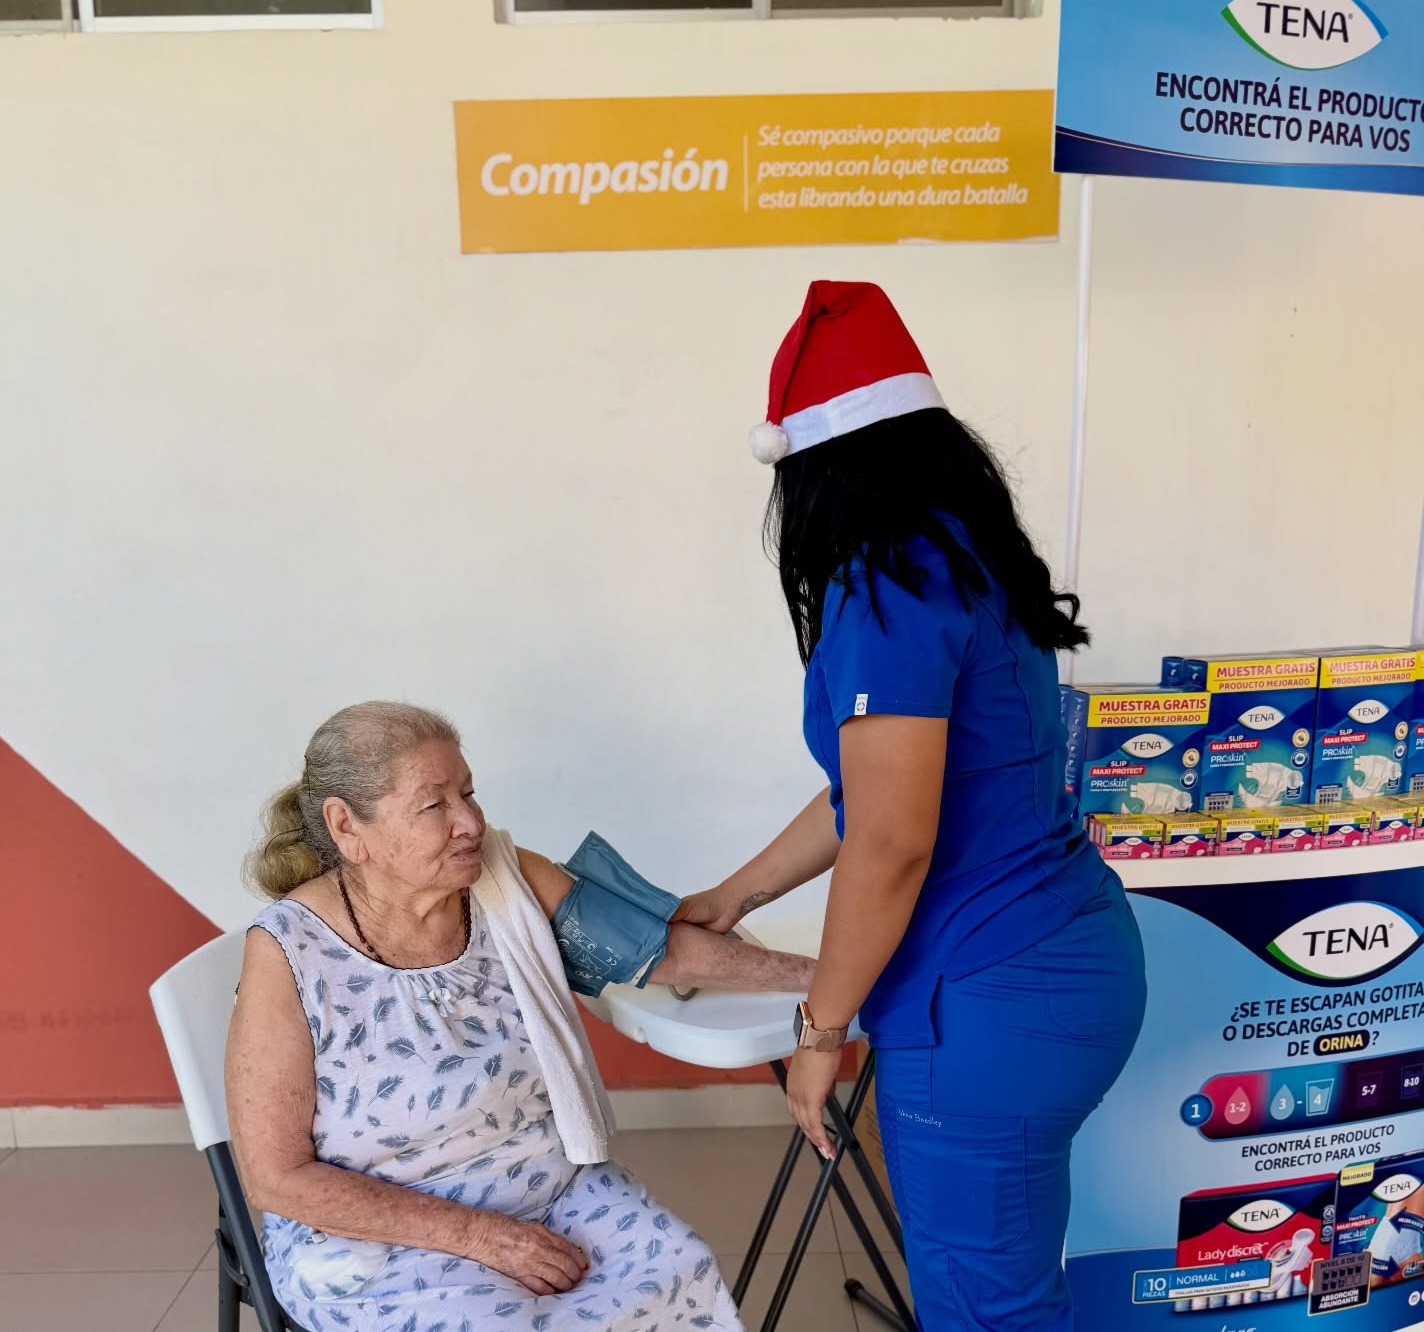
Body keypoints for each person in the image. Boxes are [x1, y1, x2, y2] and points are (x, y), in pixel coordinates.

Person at [676, 282, 1148, 1330]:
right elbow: (873, 798)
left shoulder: (884, 587)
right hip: (1068, 958)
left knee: (987, 1307)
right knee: (1009, 1284)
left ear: (815, 471)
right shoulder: (966, 555)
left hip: (989, 999)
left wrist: (819, 1035)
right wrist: (734, 896)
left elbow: (890, 840)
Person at [226, 700, 815, 1332]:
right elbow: (276, 1178)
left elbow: (659, 952)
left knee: (680, 1266)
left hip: (550, 1188)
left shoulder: (503, 880)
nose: (470, 823)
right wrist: (483, 1238)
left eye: (469, 793)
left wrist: (829, 978)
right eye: (434, 805)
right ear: (347, 827)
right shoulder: (289, 951)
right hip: (376, 1236)